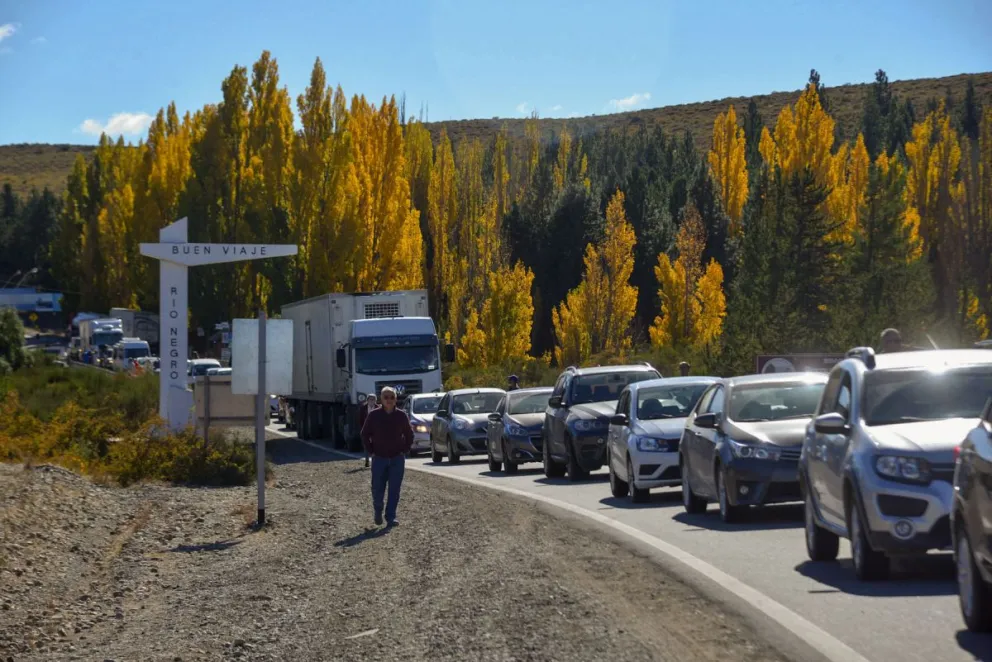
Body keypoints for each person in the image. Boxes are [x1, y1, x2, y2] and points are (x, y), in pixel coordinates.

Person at [361, 387, 413, 527]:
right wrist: (371, 450)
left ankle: (391, 517)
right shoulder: (373, 416)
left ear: (395, 399)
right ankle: (378, 510)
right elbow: (365, 434)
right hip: (379, 458)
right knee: (377, 488)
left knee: (394, 489)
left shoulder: (401, 416)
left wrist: (405, 450)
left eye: (391, 397)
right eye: (386, 397)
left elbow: (409, 434)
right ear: (381, 400)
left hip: (397, 458)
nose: (389, 400)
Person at [358, 394, 377, 468]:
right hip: (366, 429)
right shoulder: (363, 408)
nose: (372, 401)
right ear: (367, 400)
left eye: (373, 399)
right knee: (366, 445)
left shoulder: (378, 408)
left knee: (375, 445)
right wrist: (363, 429)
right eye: (370, 399)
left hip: (376, 429)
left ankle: (374, 461)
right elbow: (360, 419)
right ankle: (366, 460)